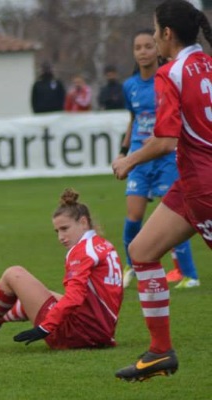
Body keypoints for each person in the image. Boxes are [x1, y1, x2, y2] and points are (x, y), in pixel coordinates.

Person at [111, 0, 212, 382]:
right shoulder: (206, 65)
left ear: (167, 34)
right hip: (190, 183)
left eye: (155, 31)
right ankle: (159, 351)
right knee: (142, 251)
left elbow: (167, 139)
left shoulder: (172, 74)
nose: (152, 37)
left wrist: (128, 160)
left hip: (204, 185)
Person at [0, 188, 123, 350]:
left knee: (14, 274)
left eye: (65, 229)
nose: (60, 237)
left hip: (76, 335)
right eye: (57, 231)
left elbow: (74, 297)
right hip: (101, 333)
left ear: (83, 222)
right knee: (43, 296)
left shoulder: (82, 251)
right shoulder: (104, 245)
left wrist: (45, 327)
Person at [117, 29, 199, 290]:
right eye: (138, 47)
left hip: (164, 156)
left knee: (174, 215)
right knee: (133, 217)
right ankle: (133, 263)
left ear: (157, 49)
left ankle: (187, 273)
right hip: (139, 158)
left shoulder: (168, 79)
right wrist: (123, 150)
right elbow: (133, 120)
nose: (143, 51)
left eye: (148, 46)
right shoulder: (129, 86)